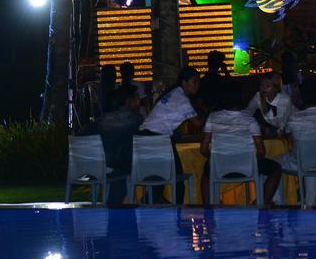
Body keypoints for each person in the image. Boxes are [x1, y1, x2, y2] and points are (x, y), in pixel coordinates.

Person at [201, 82, 282, 205]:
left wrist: (216, 158)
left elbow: (203, 149)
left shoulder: (212, 117)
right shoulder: (250, 120)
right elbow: (261, 151)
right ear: (242, 98)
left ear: (223, 99)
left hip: (219, 168)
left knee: (206, 173)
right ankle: (262, 204)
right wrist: (248, 160)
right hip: (247, 168)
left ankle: (208, 208)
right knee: (276, 169)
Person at [139, 66, 201, 202]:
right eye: (194, 81)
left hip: (144, 137)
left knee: (159, 180)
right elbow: (198, 124)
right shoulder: (182, 99)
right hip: (158, 139)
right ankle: (177, 213)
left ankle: (148, 208)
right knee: (177, 179)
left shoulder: (174, 93)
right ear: (184, 83)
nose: (197, 85)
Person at [281, 78, 316, 204]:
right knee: (309, 159)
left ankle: (277, 203)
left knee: (273, 164)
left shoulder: (295, 117)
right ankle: (309, 203)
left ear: (302, 97)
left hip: (301, 162)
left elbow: (287, 136)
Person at [98, 85, 145, 205]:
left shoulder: (103, 119)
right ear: (128, 101)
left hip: (101, 164)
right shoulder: (136, 119)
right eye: (137, 98)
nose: (139, 101)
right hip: (123, 165)